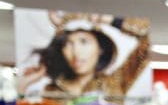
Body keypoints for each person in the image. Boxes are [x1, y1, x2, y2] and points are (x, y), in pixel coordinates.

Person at [19, 12, 150, 98]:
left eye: (84, 42)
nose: (76, 52)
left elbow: (145, 39)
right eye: (68, 44)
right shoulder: (52, 91)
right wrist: (24, 83)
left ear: (100, 48)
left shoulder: (116, 82)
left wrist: (110, 20)